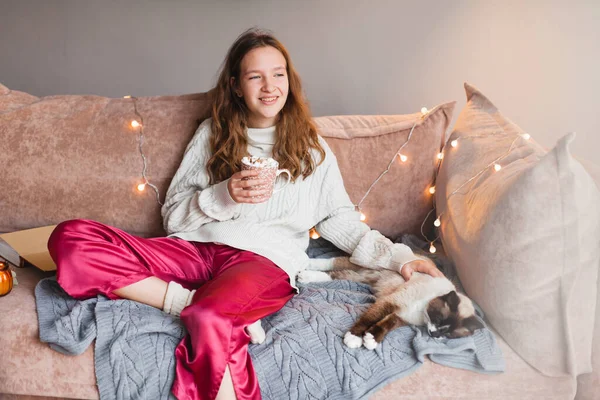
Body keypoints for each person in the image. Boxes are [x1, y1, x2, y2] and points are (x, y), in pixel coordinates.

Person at [48, 28, 443, 400]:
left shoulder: (312, 148)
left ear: (289, 79)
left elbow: (338, 220)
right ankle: (185, 300)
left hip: (262, 262)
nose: (270, 87)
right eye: (256, 77)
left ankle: (207, 306)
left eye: (278, 74)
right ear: (237, 86)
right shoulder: (212, 134)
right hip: (196, 249)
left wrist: (400, 258)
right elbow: (173, 218)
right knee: (69, 239)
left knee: (209, 318)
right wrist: (224, 194)